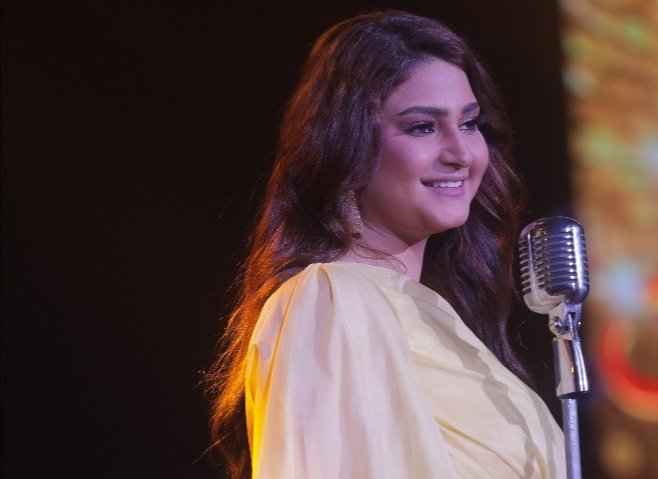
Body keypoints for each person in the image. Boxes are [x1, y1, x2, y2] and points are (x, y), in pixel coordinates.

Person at [206, 10, 566, 479]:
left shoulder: (435, 318)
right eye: (422, 127)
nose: (461, 153)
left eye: (469, 123)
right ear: (348, 143)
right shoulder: (334, 299)